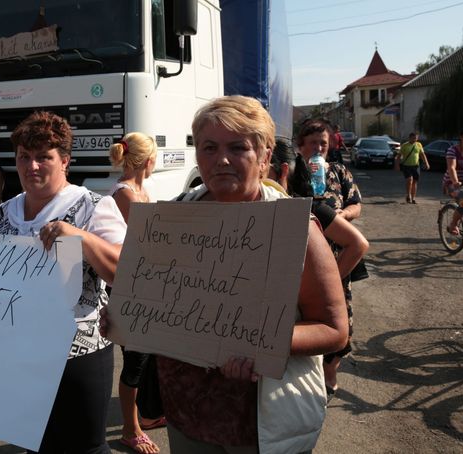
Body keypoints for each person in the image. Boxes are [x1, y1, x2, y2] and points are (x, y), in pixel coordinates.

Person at [104, 96, 348, 453]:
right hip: (185, 410)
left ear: (265, 156)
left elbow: (333, 329)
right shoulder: (171, 219)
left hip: (262, 423)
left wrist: (251, 345)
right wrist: (123, 317)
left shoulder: (294, 228)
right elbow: (152, 299)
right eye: (209, 147)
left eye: (238, 147)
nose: (221, 159)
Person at [0, 111, 126, 454]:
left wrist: (82, 238)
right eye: (25, 157)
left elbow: (127, 272)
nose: (32, 166)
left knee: (86, 447)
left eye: (44, 157)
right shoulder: (6, 211)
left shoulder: (93, 207)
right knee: (36, 443)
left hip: (76, 355)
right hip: (20, 350)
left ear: (64, 161)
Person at [297, 119, 362, 399]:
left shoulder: (339, 171)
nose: (319, 147)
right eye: (313, 142)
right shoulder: (294, 172)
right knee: (308, 316)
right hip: (304, 260)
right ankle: (309, 374)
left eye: (323, 143)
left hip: (339, 257)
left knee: (341, 318)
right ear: (301, 146)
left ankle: (331, 370)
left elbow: (356, 203)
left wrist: (341, 217)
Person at [108, 132, 163, 454]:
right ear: (148, 161)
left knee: (150, 355)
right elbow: (150, 241)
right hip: (130, 288)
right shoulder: (125, 194)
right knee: (135, 360)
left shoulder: (142, 190)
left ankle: (149, 414)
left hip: (147, 285)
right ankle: (131, 430)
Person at [270, 139, 369, 287]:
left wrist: (323, 289)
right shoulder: (255, 204)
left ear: (283, 171)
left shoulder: (309, 208)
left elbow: (358, 244)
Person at [443, 126, 463, 235]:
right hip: (452, 183)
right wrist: (455, 182)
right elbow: (451, 167)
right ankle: (453, 224)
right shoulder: (453, 150)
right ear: (461, 137)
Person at [397, 132, 430, 204]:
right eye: (414, 138)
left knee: (415, 181)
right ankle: (408, 195)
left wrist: (426, 163)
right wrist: (397, 165)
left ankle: (413, 197)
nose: (415, 139)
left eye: (416, 138)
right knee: (409, 180)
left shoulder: (419, 145)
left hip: (416, 166)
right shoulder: (404, 145)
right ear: (410, 138)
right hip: (406, 166)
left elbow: (422, 154)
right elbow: (399, 156)